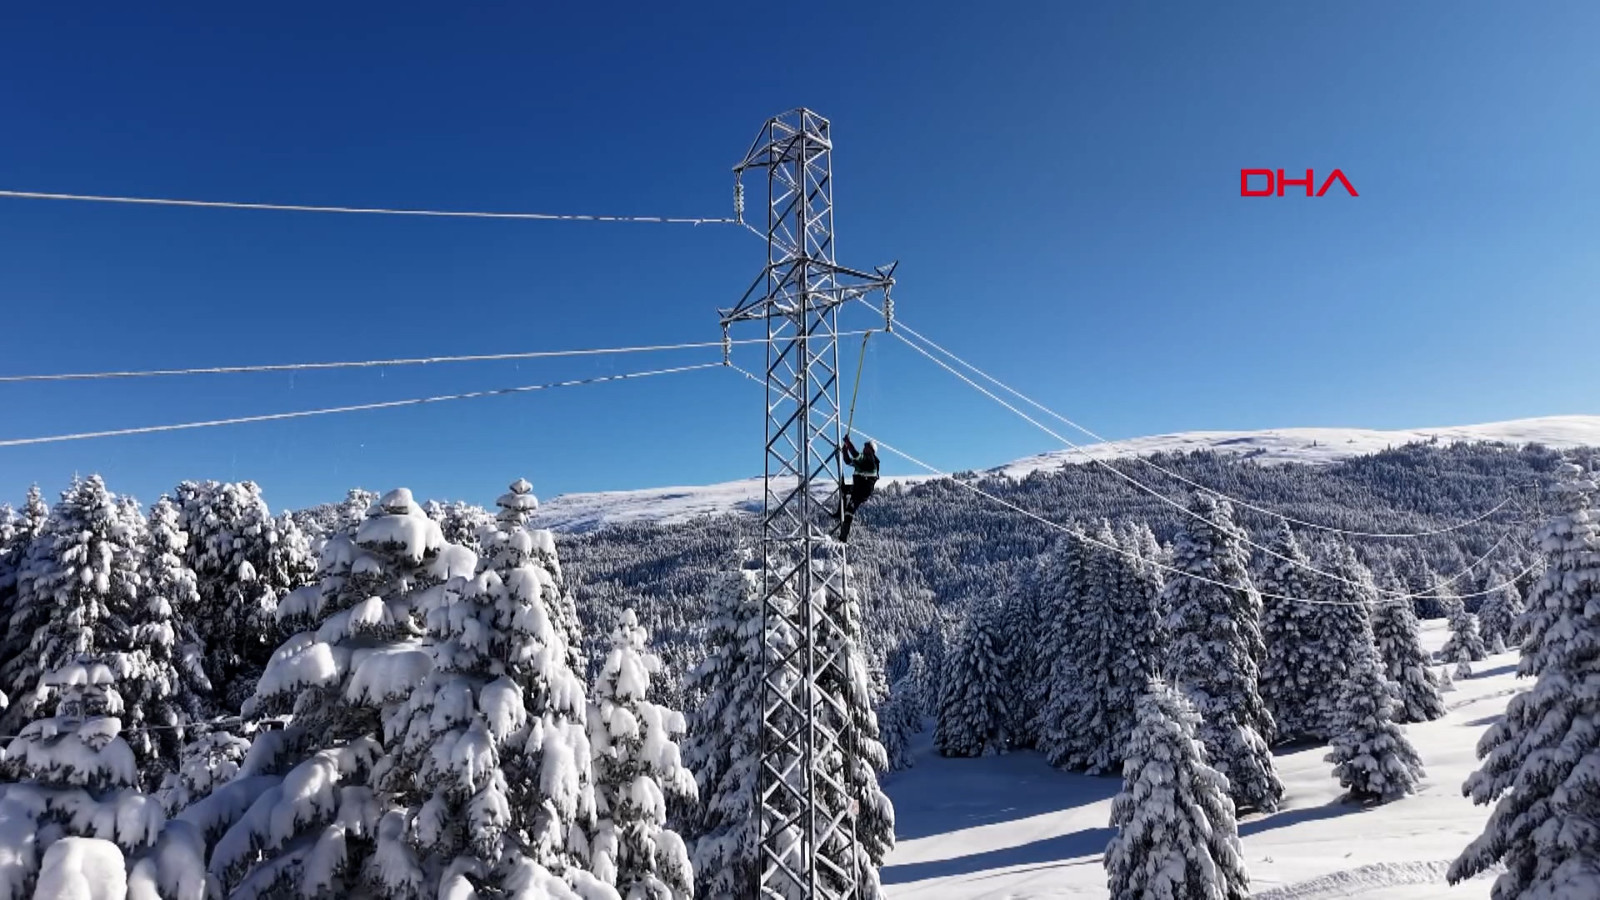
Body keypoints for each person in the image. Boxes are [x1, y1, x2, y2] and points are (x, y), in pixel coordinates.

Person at [838, 435, 880, 542]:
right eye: (865, 447)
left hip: (863, 491)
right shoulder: (862, 461)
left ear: (872, 450)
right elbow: (848, 461)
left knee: (850, 510)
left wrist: (848, 443)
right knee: (843, 489)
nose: (864, 448)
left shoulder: (871, 462)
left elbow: (856, 455)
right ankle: (839, 513)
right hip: (857, 487)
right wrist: (845, 452)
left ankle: (844, 536)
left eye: (867, 447)